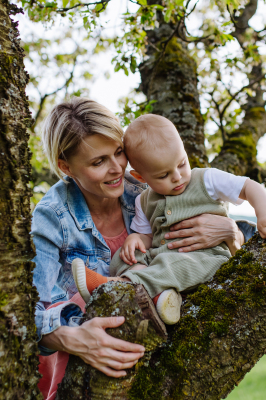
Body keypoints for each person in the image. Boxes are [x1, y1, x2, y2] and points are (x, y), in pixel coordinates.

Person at [31, 98, 251, 400]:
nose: (116, 168)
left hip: (156, 356)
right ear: (65, 166)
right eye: (98, 162)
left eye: (119, 152)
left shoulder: (148, 187)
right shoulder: (51, 216)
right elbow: (29, 312)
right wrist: (71, 338)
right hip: (81, 371)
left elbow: (210, 251)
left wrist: (230, 232)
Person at [72, 114, 266, 325]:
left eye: (182, 164)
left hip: (204, 259)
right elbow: (146, 235)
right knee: (125, 255)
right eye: (163, 175)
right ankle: (159, 298)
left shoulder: (207, 179)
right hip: (161, 258)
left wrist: (265, 213)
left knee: (170, 265)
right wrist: (136, 240)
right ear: (140, 177)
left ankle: (113, 287)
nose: (177, 176)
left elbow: (249, 186)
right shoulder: (143, 200)